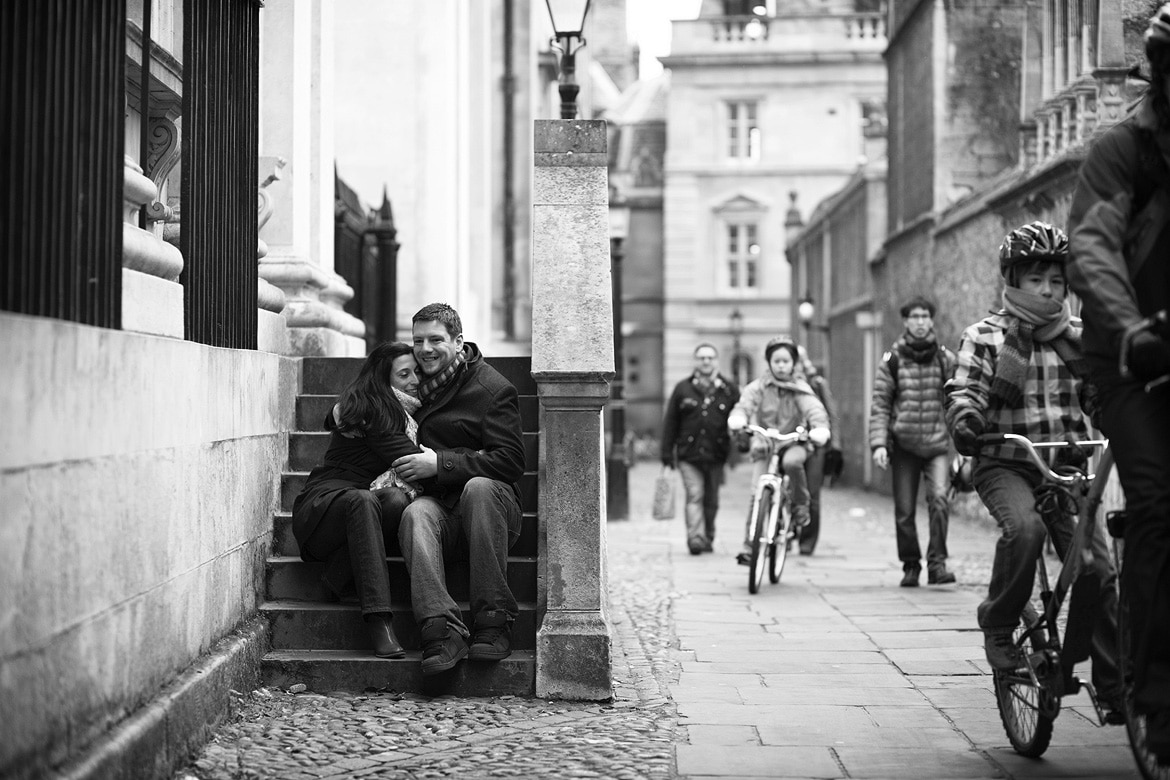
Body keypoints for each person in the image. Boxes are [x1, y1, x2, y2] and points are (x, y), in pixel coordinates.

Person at [944, 221, 1122, 720]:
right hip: (1003, 461)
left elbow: (1099, 393)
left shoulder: (1078, 339)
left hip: (1061, 466)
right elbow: (964, 390)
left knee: (1099, 572)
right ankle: (1000, 623)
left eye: (1056, 282)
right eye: (1036, 279)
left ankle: (1113, 684)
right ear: (1013, 280)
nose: (1047, 290)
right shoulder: (985, 336)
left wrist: (1117, 414)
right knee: (1023, 530)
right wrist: (967, 420)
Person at [1067, 5, 1170, 760]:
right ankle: (1155, 694)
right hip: (1129, 358)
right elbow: (1093, 249)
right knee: (1159, 500)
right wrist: (1131, 331)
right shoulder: (1121, 151)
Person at [391, 303, 526, 676]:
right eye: (418, 340)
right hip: (440, 509)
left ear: (458, 342)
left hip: (491, 514)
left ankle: (494, 621)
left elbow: (511, 462)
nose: (425, 349)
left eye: (436, 339)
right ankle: (441, 628)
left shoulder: (492, 388)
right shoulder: (412, 383)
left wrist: (442, 463)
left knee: (479, 488)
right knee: (416, 513)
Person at [291, 342, 426, 659]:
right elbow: (413, 461)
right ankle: (379, 619)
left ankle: (335, 577)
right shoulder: (374, 411)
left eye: (416, 372)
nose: (415, 380)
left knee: (394, 500)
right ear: (383, 379)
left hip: (360, 508)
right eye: (404, 374)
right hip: (323, 509)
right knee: (364, 501)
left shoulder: (404, 411)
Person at [868, 295, 957, 587]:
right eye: (914, 317)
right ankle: (910, 565)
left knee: (940, 500)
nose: (920, 322)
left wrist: (964, 445)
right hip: (904, 445)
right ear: (906, 322)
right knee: (904, 510)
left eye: (924, 316)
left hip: (936, 446)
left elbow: (957, 403)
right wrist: (879, 443)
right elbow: (881, 403)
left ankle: (937, 563)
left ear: (931, 320)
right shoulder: (893, 361)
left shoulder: (945, 359)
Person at [728, 337, 830, 565]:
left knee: (793, 464)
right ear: (769, 362)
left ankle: (800, 506)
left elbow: (815, 411)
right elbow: (745, 404)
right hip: (766, 444)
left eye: (786, 361)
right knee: (756, 494)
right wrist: (738, 417)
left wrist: (819, 429)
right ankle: (749, 546)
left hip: (794, 443)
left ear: (794, 363)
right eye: (776, 361)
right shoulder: (759, 386)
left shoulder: (800, 389)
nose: (781, 365)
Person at [660, 343, 740, 555]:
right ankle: (695, 537)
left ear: (716, 361)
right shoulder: (682, 389)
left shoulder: (729, 389)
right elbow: (671, 422)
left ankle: (708, 535)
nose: (706, 361)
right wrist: (666, 452)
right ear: (696, 361)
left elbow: (740, 419)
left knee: (711, 499)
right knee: (695, 494)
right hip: (689, 454)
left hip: (716, 454)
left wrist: (739, 448)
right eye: (702, 357)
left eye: (710, 357)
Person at [796, 346, 842, 556]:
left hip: (816, 445)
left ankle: (807, 542)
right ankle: (781, 533)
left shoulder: (817, 384)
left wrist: (835, 444)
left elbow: (832, 415)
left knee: (812, 494)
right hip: (788, 443)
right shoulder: (777, 384)